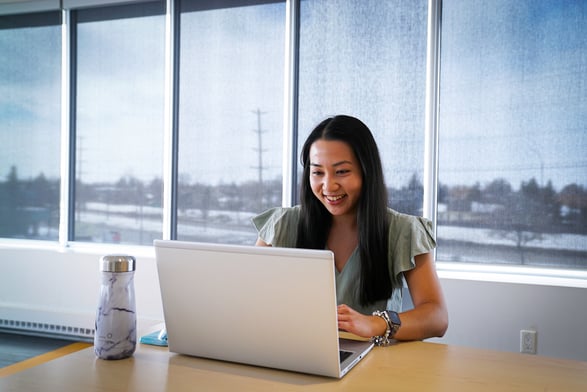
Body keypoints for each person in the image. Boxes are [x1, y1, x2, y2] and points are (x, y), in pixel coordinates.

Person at [252, 115, 448, 343]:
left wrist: (375, 323)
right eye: (317, 172)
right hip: (294, 352)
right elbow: (248, 300)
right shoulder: (282, 225)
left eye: (342, 171)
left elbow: (437, 317)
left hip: (375, 365)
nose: (328, 186)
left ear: (367, 172)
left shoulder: (403, 230)